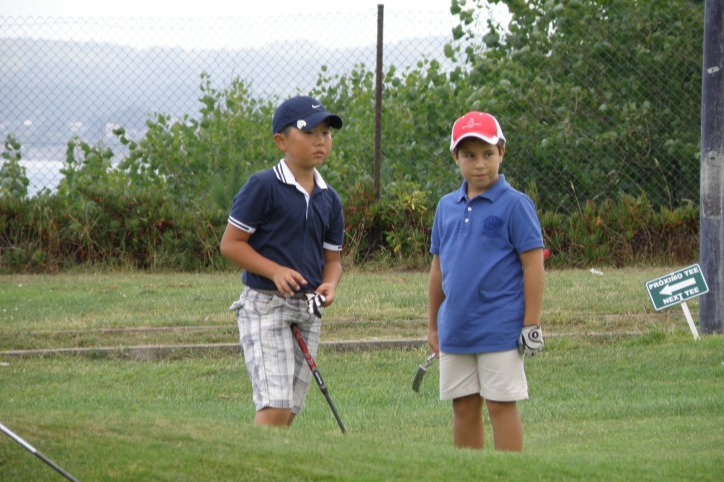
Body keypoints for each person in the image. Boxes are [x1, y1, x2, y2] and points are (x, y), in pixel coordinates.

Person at [220, 95, 345, 427]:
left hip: (309, 309)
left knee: (289, 409)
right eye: (309, 132)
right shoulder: (263, 187)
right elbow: (231, 244)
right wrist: (274, 271)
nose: (320, 140)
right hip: (264, 306)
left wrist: (330, 284)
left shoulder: (330, 199)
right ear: (281, 141)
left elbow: (332, 260)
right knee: (274, 405)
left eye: (326, 133)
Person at [427, 111, 545, 450]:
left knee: (500, 405)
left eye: (488, 154)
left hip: (500, 329)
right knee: (463, 407)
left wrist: (531, 325)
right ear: (456, 158)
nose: (480, 164)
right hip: (456, 329)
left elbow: (533, 268)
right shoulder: (446, 207)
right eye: (469, 156)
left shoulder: (516, 205)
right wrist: (434, 326)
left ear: (502, 152)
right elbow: (438, 270)